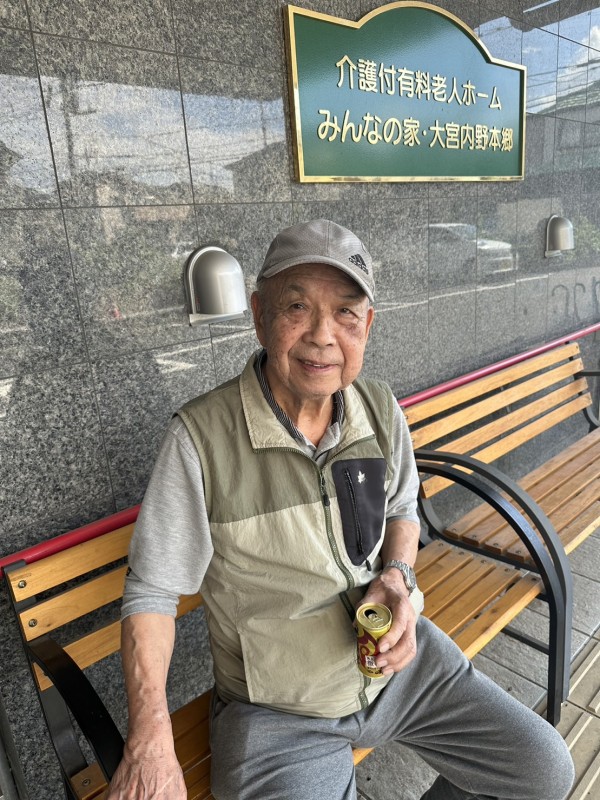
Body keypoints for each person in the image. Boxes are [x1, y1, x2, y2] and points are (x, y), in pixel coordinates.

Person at [107, 219, 574, 800]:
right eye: (297, 307)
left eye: (346, 313)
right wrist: (149, 740)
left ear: (367, 325)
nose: (323, 336)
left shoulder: (378, 408)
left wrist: (397, 577)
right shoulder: (200, 439)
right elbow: (152, 592)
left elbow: (402, 508)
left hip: (398, 668)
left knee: (540, 771)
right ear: (259, 316)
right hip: (279, 711)